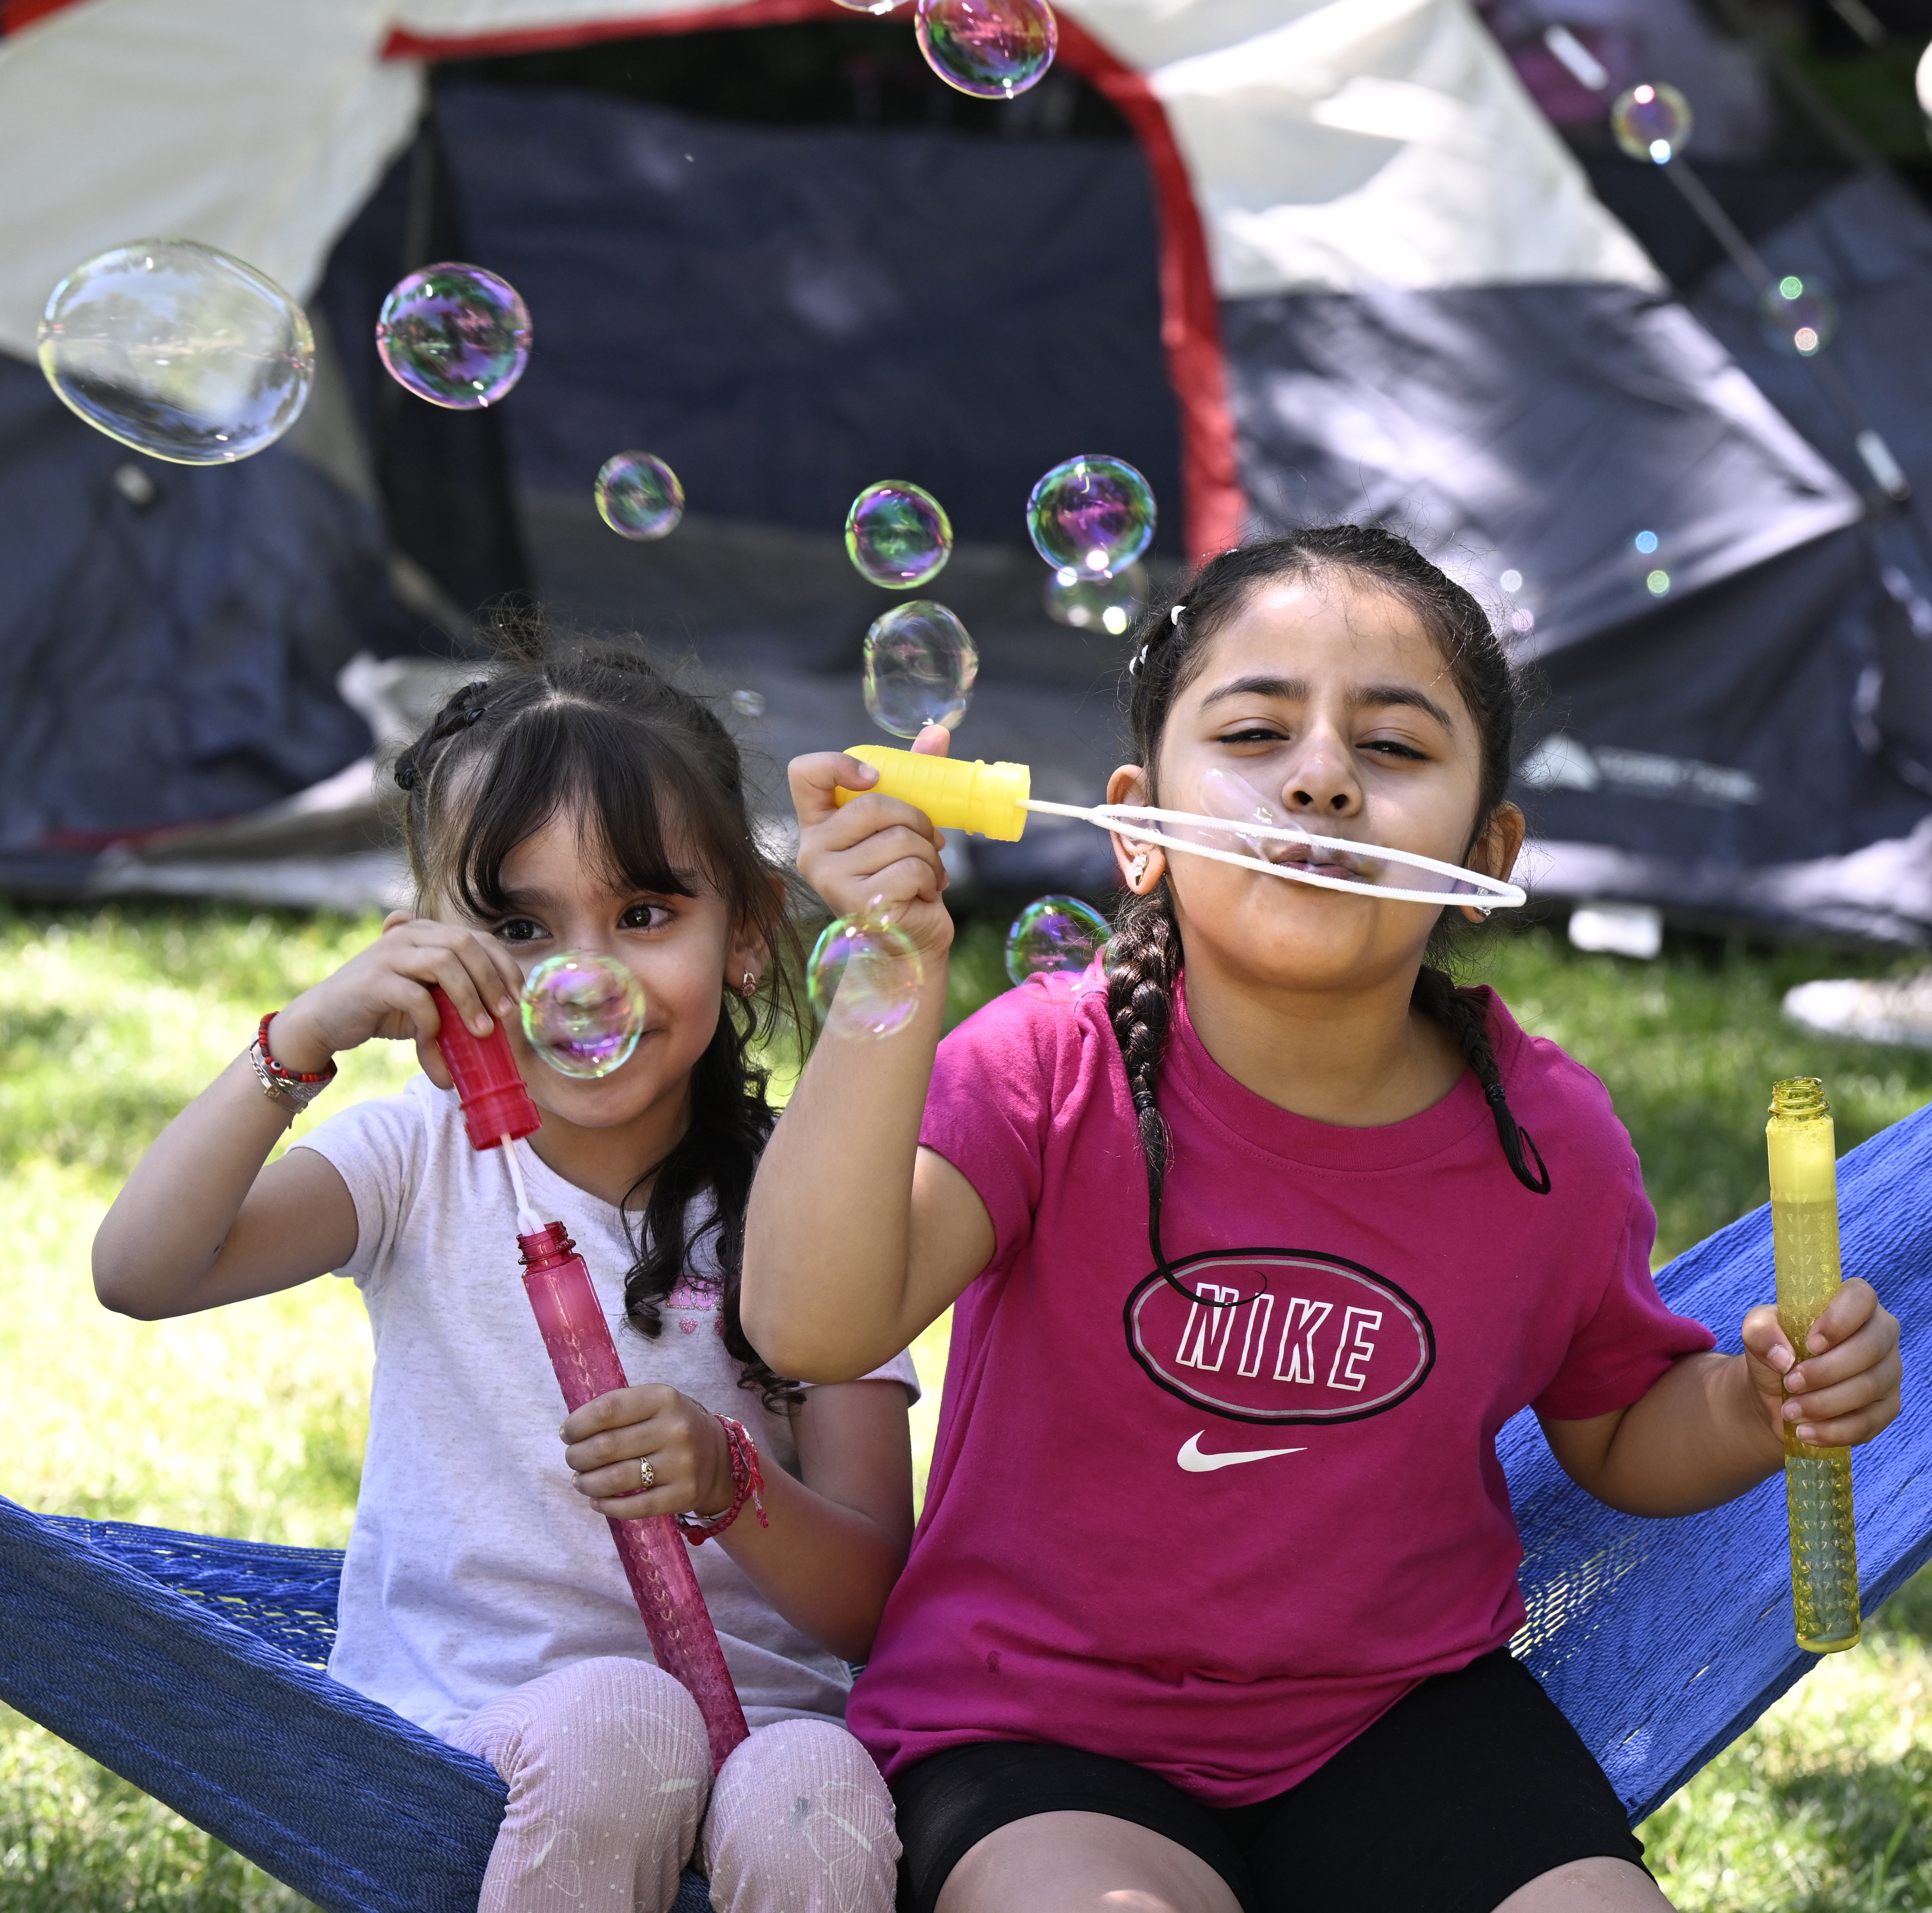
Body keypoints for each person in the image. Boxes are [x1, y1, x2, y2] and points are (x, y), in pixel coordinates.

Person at [742, 528, 1904, 1913]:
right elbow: (810, 1321)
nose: (1317, 779)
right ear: (1134, 830)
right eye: (1251, 731)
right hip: (1034, 1724)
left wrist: (1750, 1404)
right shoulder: (1043, 1069)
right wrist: (890, 964)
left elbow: (1614, 1430)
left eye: (1394, 751)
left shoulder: (1549, 1142)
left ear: (1488, 853)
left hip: (1397, 1717)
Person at [94, 642, 915, 1913]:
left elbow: (873, 1606)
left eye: (645, 915)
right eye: (520, 929)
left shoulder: (815, 1204)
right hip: (464, 1736)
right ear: (425, 949)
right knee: (619, 1725)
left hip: (765, 1733)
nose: (582, 977)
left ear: (746, 937)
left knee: (821, 1787)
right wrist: (300, 1042)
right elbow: (141, 1272)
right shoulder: (412, 1165)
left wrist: (729, 1476)